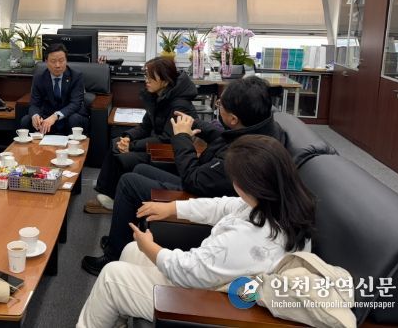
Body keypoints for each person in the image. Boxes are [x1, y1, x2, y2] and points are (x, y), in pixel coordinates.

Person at [77, 135, 316, 328]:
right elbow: (222, 206)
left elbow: (188, 270)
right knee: (131, 250)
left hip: (213, 304)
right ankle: (113, 317)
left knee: (111, 276)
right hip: (222, 283)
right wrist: (173, 208)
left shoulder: (247, 239)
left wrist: (150, 247)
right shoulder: (277, 206)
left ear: (250, 184)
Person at [82, 75, 286, 275]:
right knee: (139, 170)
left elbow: (193, 180)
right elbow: (222, 136)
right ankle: (123, 238)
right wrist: (192, 123)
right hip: (206, 182)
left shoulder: (245, 154)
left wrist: (181, 136)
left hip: (202, 194)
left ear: (233, 119)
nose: (218, 106)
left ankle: (114, 255)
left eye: (221, 105)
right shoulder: (258, 128)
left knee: (129, 183)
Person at [84, 57, 198, 214]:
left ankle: (113, 200)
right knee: (117, 142)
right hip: (156, 145)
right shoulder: (158, 96)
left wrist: (132, 147)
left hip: (168, 152)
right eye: (146, 76)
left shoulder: (179, 105)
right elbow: (145, 126)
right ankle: (107, 193)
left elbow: (166, 139)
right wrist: (128, 137)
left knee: (124, 157)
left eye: (151, 77)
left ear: (165, 80)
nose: (146, 80)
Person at [19, 43, 89, 135]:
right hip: (47, 118)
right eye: (53, 61)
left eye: (61, 60)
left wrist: (55, 116)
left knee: (74, 119)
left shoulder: (76, 77)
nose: (57, 65)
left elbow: (75, 104)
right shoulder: (39, 78)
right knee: (26, 120)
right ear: (46, 61)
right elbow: (34, 104)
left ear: (66, 60)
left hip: (69, 116)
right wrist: (35, 116)